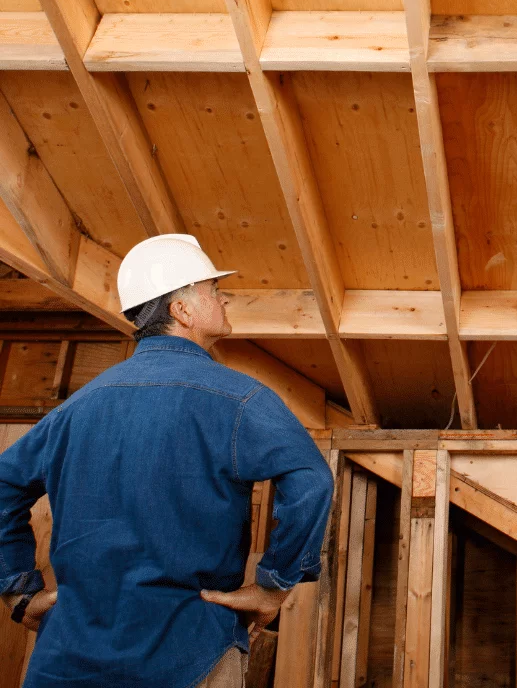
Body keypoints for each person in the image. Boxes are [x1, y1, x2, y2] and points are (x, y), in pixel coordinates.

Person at [0, 234, 334, 688]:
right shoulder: (239, 399)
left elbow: (4, 485)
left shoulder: (76, 409)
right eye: (214, 291)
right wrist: (273, 585)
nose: (224, 299)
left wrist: (19, 591)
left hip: (69, 656)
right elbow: (311, 479)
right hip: (189, 650)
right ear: (182, 311)